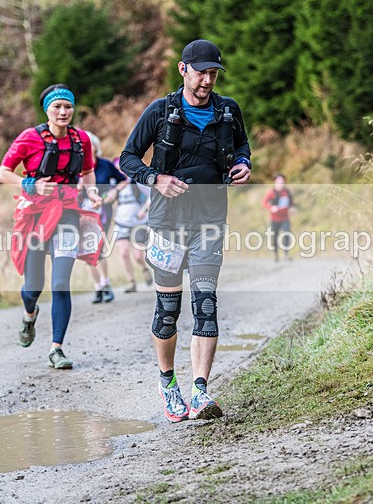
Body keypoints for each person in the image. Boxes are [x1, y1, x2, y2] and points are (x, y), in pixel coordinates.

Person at [120, 39, 251, 421]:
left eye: (213, 73)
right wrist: (154, 178)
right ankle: (168, 383)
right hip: (166, 223)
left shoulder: (228, 110)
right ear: (183, 70)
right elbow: (127, 157)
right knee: (167, 312)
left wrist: (243, 164)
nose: (207, 80)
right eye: (201, 73)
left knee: (206, 306)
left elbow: (242, 145)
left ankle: (200, 391)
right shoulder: (160, 111)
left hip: (210, 220)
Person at [0, 84, 103, 370]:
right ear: (47, 109)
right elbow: (2, 173)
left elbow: (88, 170)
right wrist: (29, 183)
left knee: (59, 284)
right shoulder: (29, 138)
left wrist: (91, 192)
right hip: (36, 215)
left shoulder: (82, 139)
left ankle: (57, 348)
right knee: (33, 286)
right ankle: (30, 314)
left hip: (68, 213)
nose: (63, 111)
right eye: (57, 106)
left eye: (68, 106)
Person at [82, 132, 129, 304]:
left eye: (89, 144)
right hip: (82, 212)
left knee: (98, 247)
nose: (86, 148)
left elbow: (123, 181)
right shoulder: (76, 166)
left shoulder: (105, 165)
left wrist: (114, 191)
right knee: (86, 250)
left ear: (95, 147)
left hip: (102, 210)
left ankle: (106, 284)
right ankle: (98, 287)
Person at [111, 168, 153, 293]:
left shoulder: (136, 182)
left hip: (138, 223)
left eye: (122, 170)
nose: (120, 173)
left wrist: (144, 210)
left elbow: (151, 195)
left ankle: (145, 269)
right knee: (123, 253)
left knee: (138, 255)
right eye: (117, 170)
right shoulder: (114, 184)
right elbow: (107, 199)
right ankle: (131, 282)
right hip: (121, 223)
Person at [262, 173, 294, 261]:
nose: (281, 184)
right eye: (279, 182)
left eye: (282, 182)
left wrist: (292, 208)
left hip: (285, 218)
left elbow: (291, 203)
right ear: (275, 182)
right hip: (274, 218)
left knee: (286, 234)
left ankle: (286, 254)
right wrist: (271, 207)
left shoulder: (287, 192)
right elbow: (264, 203)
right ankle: (276, 255)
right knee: (275, 236)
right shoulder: (271, 192)